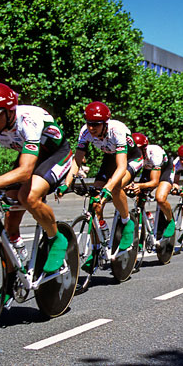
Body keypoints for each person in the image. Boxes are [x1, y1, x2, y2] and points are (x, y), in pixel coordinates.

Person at [0, 83, 73, 296]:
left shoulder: (28, 121)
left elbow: (25, 171)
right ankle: (12, 281)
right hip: (29, 158)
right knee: (9, 221)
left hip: (55, 155)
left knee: (28, 196)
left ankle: (56, 238)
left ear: (10, 111)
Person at [57, 101, 143, 271]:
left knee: (115, 186)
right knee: (95, 202)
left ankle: (127, 223)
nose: (91, 128)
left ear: (105, 123)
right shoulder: (85, 132)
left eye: (95, 125)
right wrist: (66, 183)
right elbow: (77, 160)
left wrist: (108, 188)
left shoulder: (117, 130)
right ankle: (97, 250)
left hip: (131, 159)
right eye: (89, 123)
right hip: (109, 158)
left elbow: (121, 167)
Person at [125, 133, 175, 241]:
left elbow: (154, 182)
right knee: (139, 199)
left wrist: (138, 185)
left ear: (145, 148)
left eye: (139, 150)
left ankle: (170, 221)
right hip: (148, 170)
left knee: (160, 198)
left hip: (165, 170)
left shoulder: (154, 153)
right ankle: (141, 233)